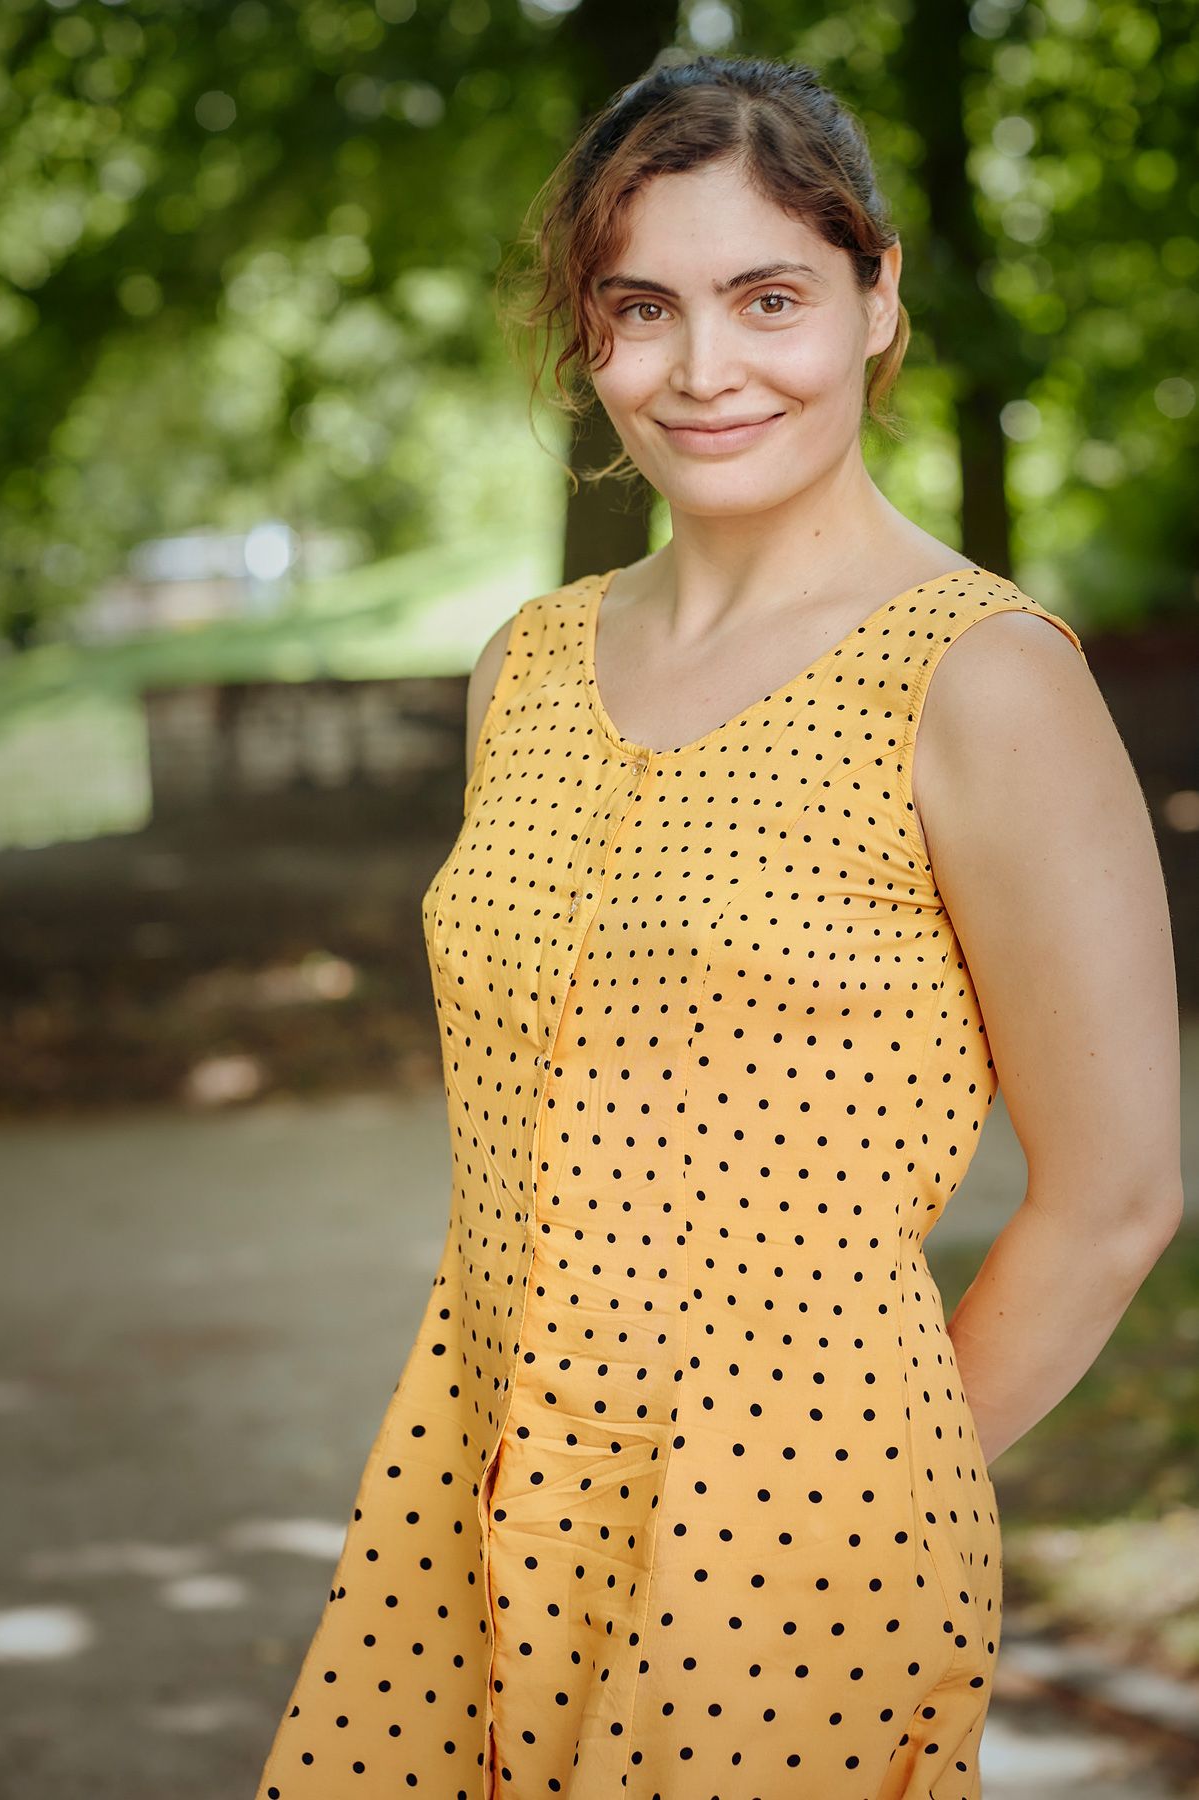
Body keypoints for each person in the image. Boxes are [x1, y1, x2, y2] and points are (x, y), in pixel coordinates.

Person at [253, 53, 1183, 1800]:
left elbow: (1118, 1196)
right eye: (641, 308)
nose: (703, 369)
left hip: (799, 1546)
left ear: (876, 298)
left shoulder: (983, 680)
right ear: (586, 335)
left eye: (769, 298)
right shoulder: (525, 667)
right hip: (474, 1478)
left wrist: (850, 1485)